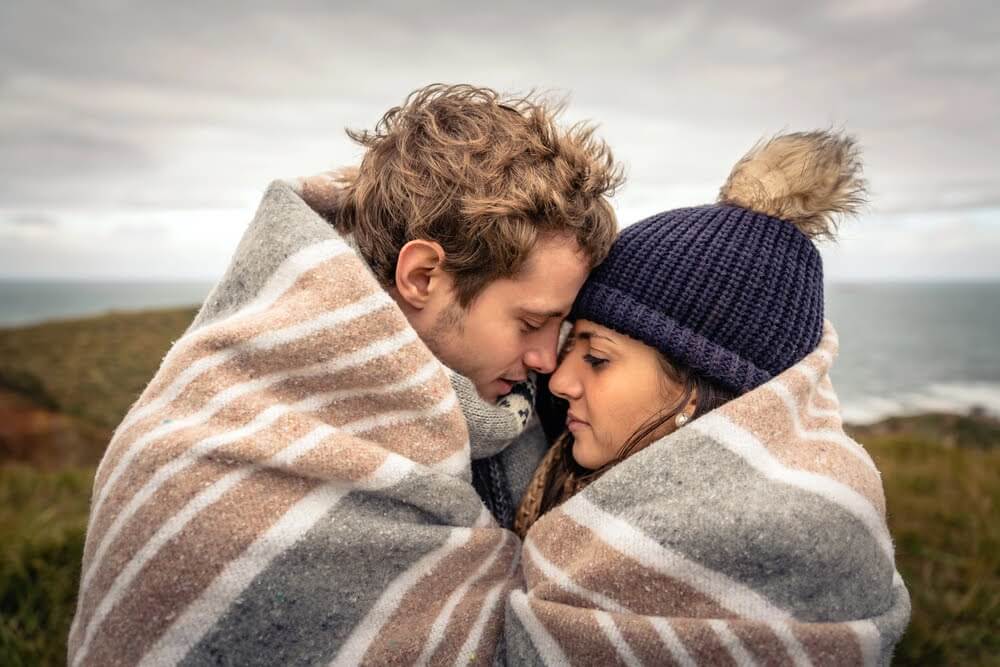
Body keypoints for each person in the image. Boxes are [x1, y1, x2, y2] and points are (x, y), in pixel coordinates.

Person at [67, 84, 622, 665]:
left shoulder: (515, 412)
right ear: (423, 275)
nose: (545, 359)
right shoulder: (204, 460)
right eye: (532, 321)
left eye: (559, 328)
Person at [507, 131, 911, 664]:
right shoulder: (544, 456)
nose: (559, 381)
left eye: (597, 357)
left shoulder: (789, 534)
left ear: (704, 387)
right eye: (568, 342)